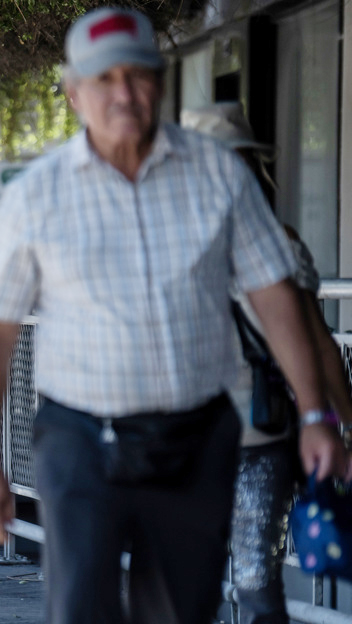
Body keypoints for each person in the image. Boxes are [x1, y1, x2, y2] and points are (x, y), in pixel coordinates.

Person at [0, 8, 351, 624]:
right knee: (82, 607)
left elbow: (277, 297)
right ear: (74, 94)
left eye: (139, 75)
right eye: (105, 78)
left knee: (179, 611)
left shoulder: (219, 174)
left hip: (196, 437)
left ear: (161, 81)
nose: (124, 93)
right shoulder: (36, 195)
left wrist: (315, 414)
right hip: (82, 440)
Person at [182, 102, 352, 624]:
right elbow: (319, 343)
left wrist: (333, 423)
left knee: (225, 580)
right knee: (246, 580)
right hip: (226, 433)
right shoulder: (278, 240)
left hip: (221, 434)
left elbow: (315, 344)